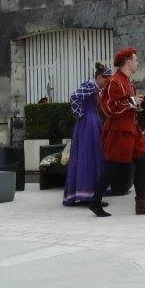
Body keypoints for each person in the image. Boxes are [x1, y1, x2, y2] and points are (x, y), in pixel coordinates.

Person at [89, 47, 145, 217]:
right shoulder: (115, 81)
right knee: (112, 168)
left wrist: (137, 104)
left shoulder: (128, 82)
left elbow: (125, 105)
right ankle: (95, 201)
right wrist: (131, 101)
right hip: (119, 132)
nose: (137, 63)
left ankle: (141, 203)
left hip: (131, 130)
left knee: (141, 162)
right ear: (128, 62)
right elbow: (108, 108)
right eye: (135, 60)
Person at [63, 63, 112, 206]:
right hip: (87, 124)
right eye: (106, 80)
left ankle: (90, 194)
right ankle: (87, 195)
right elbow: (74, 97)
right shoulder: (91, 86)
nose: (106, 84)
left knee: (89, 156)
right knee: (88, 156)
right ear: (101, 77)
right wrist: (80, 114)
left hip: (90, 122)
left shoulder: (95, 87)